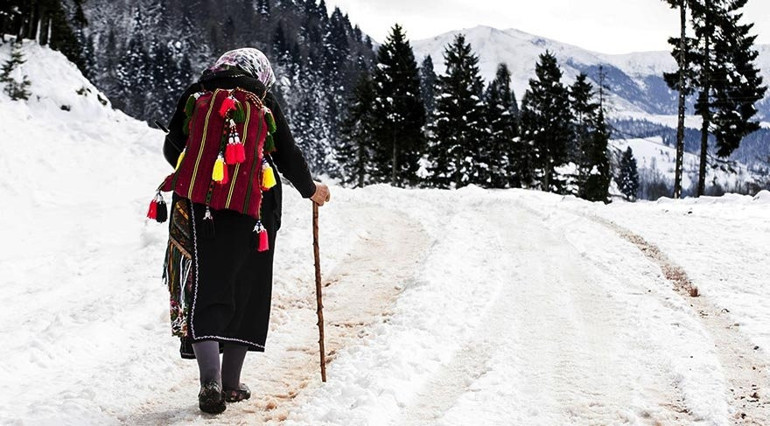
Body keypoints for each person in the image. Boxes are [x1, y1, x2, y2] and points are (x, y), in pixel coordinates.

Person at [161, 48, 330, 414]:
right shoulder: (262, 100)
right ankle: (233, 383)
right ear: (260, 73)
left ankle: (210, 381)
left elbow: (171, 148)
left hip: (200, 205)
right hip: (256, 207)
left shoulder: (197, 94)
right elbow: (286, 152)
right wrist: (310, 189)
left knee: (207, 286)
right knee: (248, 289)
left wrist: (207, 170)